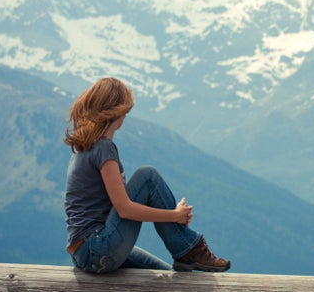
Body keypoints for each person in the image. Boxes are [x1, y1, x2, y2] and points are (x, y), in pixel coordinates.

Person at [63, 77, 230, 274]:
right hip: (98, 249)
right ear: (116, 111)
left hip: (84, 253)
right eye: (125, 111)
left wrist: (172, 216)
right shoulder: (103, 148)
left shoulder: (84, 146)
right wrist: (174, 216)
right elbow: (125, 209)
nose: (126, 116)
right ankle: (188, 250)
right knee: (147, 177)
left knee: (168, 276)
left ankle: (187, 252)